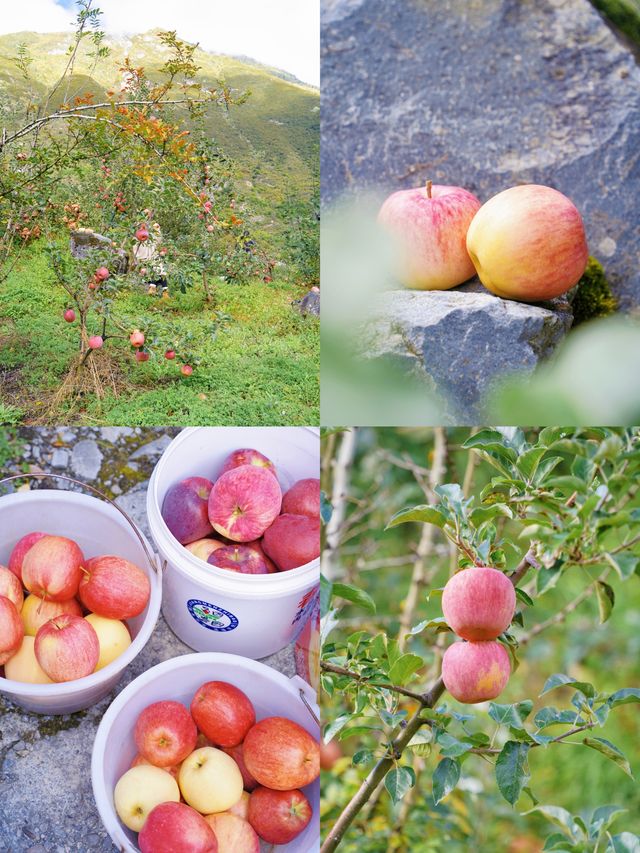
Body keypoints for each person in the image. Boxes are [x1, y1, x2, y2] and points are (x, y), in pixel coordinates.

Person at [132, 221, 169, 298]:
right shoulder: (136, 240)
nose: (143, 227)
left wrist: (157, 230)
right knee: (156, 268)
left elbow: (158, 241)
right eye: (141, 226)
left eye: (144, 226)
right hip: (144, 261)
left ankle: (159, 290)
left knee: (159, 267)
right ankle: (159, 290)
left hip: (153, 259)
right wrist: (141, 265)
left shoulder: (150, 236)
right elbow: (137, 254)